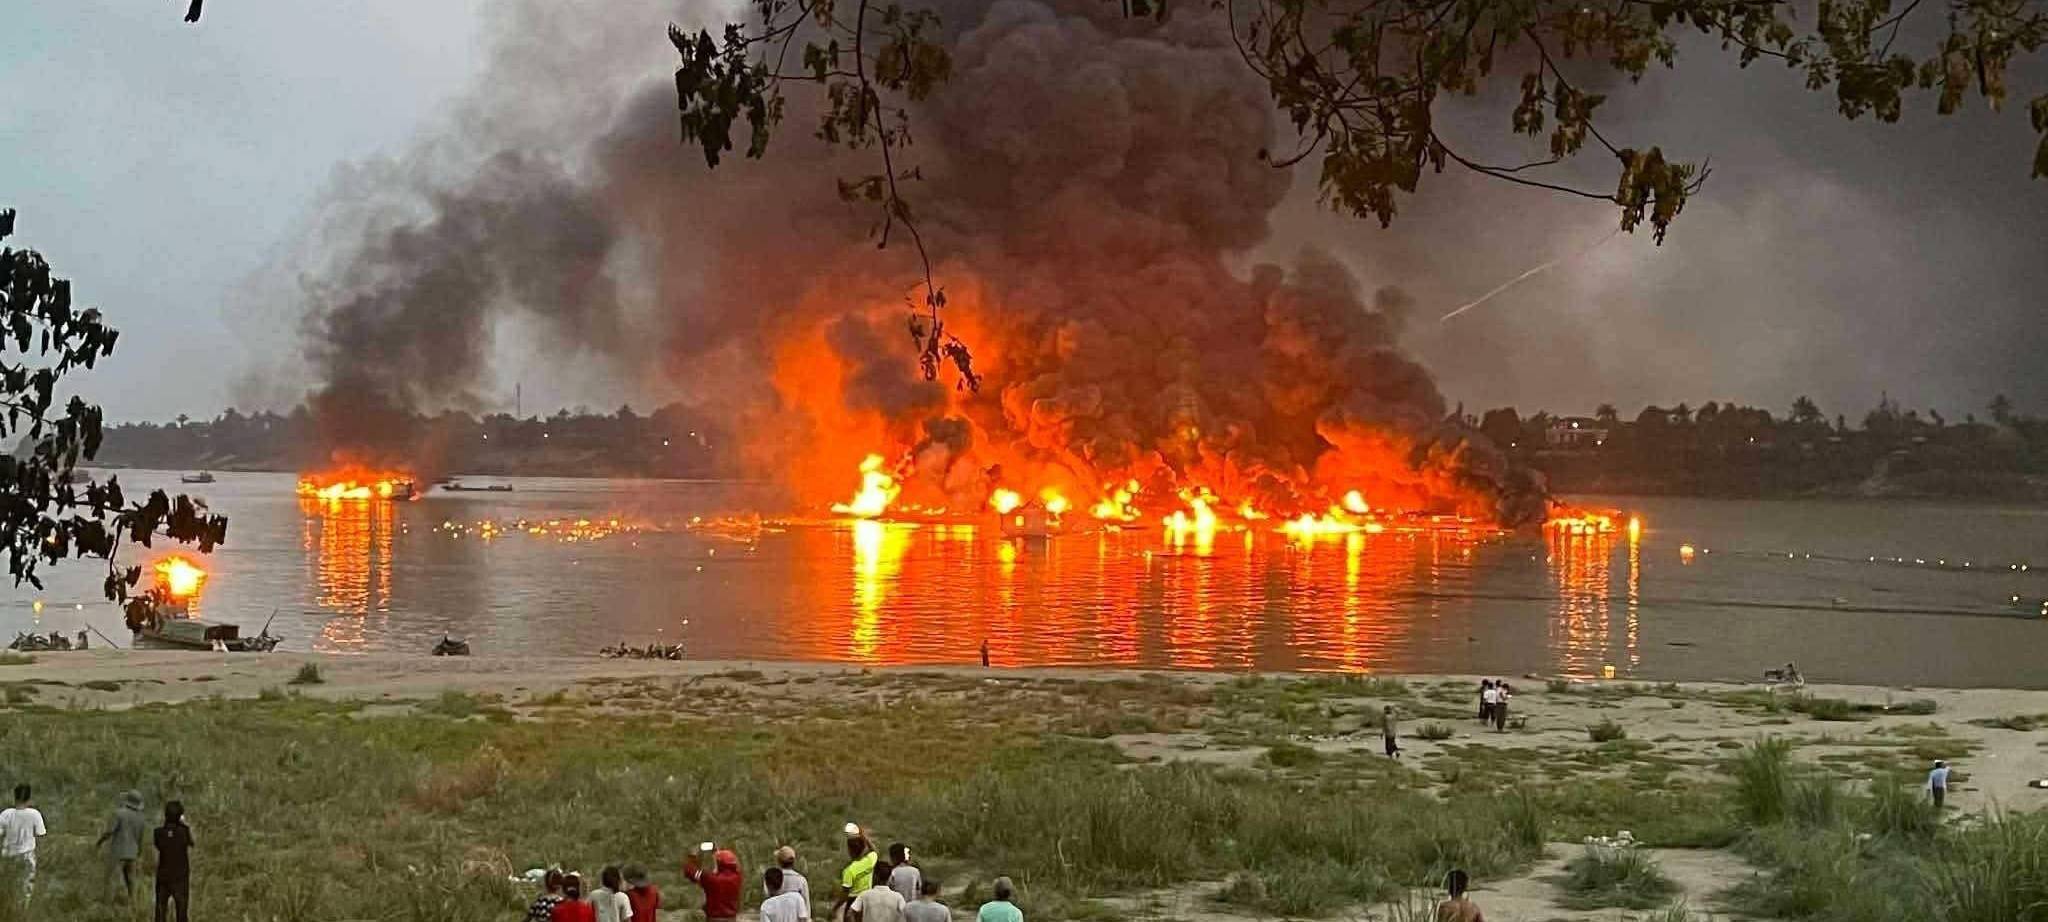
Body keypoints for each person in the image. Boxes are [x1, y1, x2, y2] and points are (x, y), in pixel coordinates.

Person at [95, 790, 148, 900]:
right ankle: (133, 905)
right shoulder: (141, 818)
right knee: (131, 881)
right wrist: (139, 853)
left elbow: (110, 831)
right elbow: (140, 839)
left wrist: (100, 841)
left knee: (111, 879)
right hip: (132, 853)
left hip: (118, 852)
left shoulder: (119, 814)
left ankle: (107, 905)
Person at [0, 784, 46, 903]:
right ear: (29, 798)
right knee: (26, 890)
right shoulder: (35, 814)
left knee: (8, 886)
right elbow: (41, 834)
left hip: (9, 854)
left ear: (14, 797)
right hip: (27, 855)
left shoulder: (6, 814)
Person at [152, 800, 193, 922]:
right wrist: (183, 824)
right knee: (181, 910)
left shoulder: (158, 833)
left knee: (160, 909)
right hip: (180, 876)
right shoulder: (184, 832)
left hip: (163, 875)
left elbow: (159, 845)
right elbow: (191, 842)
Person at [684, 848, 742, 922]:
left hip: (714, 919)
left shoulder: (711, 879)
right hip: (732, 919)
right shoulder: (737, 877)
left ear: (720, 864)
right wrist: (718, 854)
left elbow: (689, 871)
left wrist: (692, 857)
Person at [834, 827, 878, 921]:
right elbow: (874, 851)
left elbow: (845, 894)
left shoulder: (849, 871)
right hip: (867, 901)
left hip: (853, 902)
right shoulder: (869, 861)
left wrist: (836, 907)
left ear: (850, 850)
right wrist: (865, 838)